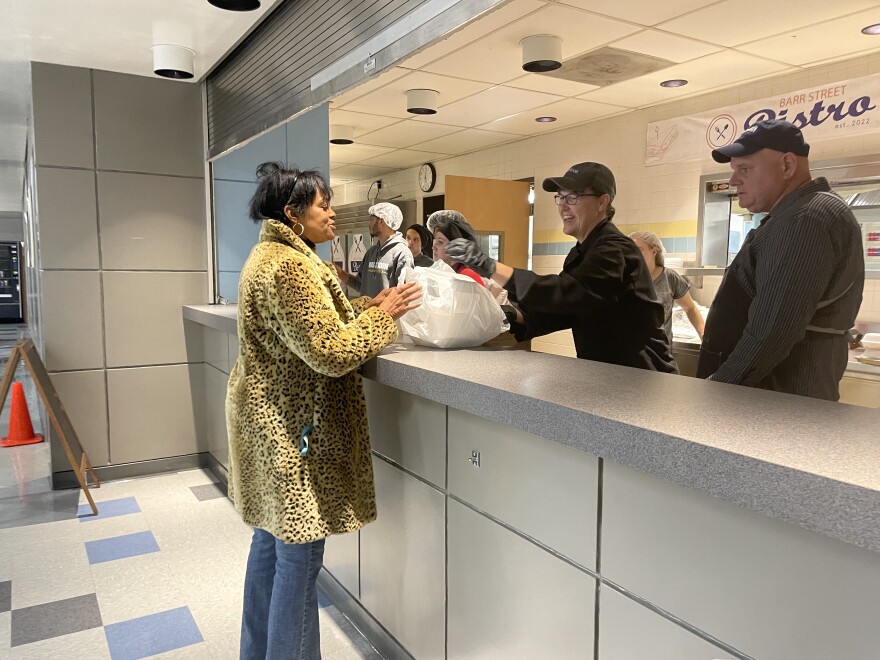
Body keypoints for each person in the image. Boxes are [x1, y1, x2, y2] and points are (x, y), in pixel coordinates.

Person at [226, 162, 421, 660]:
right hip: (294, 430)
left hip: (273, 422)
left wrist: (366, 307)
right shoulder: (290, 265)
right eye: (324, 206)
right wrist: (383, 317)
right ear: (293, 214)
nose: (333, 214)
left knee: (271, 548)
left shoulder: (270, 255)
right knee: (299, 560)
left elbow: (311, 325)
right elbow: (329, 351)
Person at [444, 162, 676, 372]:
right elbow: (569, 310)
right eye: (561, 197)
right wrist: (516, 316)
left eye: (573, 197)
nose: (563, 206)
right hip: (607, 374)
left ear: (603, 202)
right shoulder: (581, 251)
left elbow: (564, 294)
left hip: (643, 377)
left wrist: (488, 265)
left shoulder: (614, 250)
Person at [699, 119, 864, 400]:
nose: (733, 181)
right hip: (771, 398)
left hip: (778, 403)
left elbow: (772, 329)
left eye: (745, 169)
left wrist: (718, 390)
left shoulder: (805, 219)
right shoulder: (798, 214)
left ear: (787, 165)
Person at [630, 231, 705, 343]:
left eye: (639, 250)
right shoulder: (626, 278)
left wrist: (704, 336)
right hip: (632, 350)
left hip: (660, 351)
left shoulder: (669, 278)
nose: (633, 254)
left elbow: (690, 309)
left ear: (654, 251)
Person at [334, 202, 413, 297]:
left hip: (386, 312)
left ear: (382, 221)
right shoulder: (371, 252)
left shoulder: (401, 253)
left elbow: (403, 293)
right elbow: (359, 284)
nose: (369, 225)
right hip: (368, 311)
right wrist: (339, 272)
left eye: (371, 220)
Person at [426, 210, 486, 287]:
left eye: (440, 242)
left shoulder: (467, 277)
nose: (434, 247)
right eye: (435, 241)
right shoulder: (442, 272)